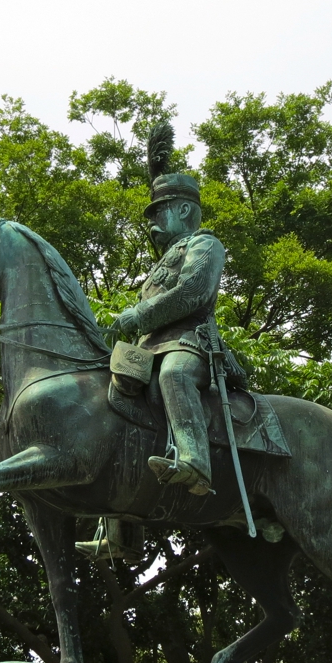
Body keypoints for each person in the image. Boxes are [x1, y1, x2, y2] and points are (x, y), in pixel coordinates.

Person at [108, 169, 225, 496]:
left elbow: (194, 290)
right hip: (147, 350)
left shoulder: (205, 244)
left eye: (159, 211)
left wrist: (139, 314)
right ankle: (119, 534)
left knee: (174, 376)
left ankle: (196, 461)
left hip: (187, 343)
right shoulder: (160, 264)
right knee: (109, 409)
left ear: (184, 210)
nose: (152, 221)